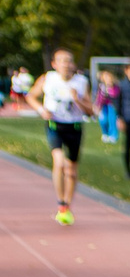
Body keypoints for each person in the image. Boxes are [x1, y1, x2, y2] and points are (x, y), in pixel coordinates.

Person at [37, 48, 94, 224]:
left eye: (69, 60)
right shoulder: (48, 78)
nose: (66, 64)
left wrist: (77, 100)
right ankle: (61, 202)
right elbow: (31, 96)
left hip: (75, 127)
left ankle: (66, 205)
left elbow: (91, 111)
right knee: (59, 162)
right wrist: (41, 109)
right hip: (54, 125)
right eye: (62, 60)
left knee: (71, 169)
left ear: (73, 64)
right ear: (54, 64)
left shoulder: (81, 82)